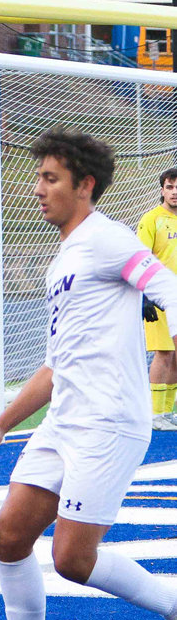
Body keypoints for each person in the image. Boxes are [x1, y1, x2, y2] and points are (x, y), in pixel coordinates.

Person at [0, 127, 177, 620]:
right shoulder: (64, 257)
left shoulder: (108, 240)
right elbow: (56, 367)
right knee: (8, 537)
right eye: (39, 177)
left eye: (50, 178)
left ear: (84, 185)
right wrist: (0, 426)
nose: (38, 188)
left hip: (108, 423)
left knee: (72, 561)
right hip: (66, 421)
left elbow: (166, 286)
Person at [137, 167, 177, 430]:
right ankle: (153, 414)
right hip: (160, 298)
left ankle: (167, 411)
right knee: (164, 353)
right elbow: (139, 258)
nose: (175, 192)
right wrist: (144, 296)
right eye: (170, 187)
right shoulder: (151, 219)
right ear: (162, 189)